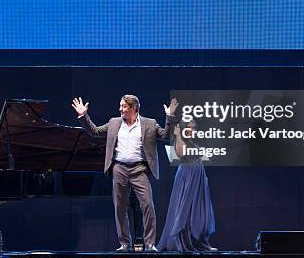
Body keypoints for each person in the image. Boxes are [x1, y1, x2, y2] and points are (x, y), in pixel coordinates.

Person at [72, 95, 177, 252]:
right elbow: (95, 132)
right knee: (120, 208)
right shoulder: (114, 123)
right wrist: (83, 116)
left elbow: (166, 136)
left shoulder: (149, 123)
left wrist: (170, 117)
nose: (120, 109)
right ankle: (124, 244)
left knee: (147, 205)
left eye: (123, 106)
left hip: (139, 169)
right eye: (120, 106)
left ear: (134, 108)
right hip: (119, 168)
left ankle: (149, 244)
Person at [157, 119, 215, 252]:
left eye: (194, 128)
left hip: (198, 175)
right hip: (187, 175)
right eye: (189, 128)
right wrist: (177, 135)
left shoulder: (193, 143)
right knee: (185, 210)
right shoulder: (179, 140)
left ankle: (200, 243)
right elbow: (181, 154)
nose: (193, 130)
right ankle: (183, 242)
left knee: (199, 210)